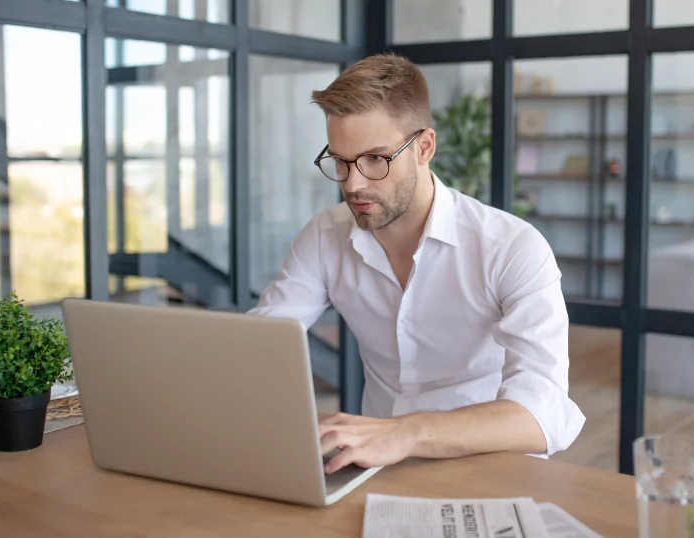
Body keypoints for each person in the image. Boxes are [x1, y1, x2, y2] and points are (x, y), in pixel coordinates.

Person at [248, 53, 585, 475]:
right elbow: (257, 348)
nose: (353, 184)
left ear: (424, 147)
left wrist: (405, 433)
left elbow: (543, 413)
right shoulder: (324, 236)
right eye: (340, 161)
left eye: (375, 159)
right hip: (373, 470)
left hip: (490, 471)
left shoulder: (512, 247)